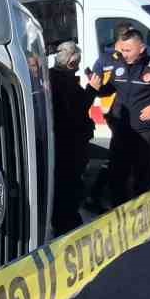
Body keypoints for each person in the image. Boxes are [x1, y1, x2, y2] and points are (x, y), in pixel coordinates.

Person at [90, 27, 150, 206]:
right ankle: (118, 213)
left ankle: (142, 215)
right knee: (117, 176)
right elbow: (109, 90)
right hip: (121, 129)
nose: (122, 54)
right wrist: (97, 88)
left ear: (141, 49)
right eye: (121, 50)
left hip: (144, 132)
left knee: (144, 177)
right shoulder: (116, 64)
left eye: (127, 50)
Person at [47, 42, 97, 233]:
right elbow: (75, 111)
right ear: (72, 61)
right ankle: (66, 224)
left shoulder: (54, 76)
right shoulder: (62, 81)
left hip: (65, 142)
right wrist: (92, 89)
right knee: (68, 185)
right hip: (69, 144)